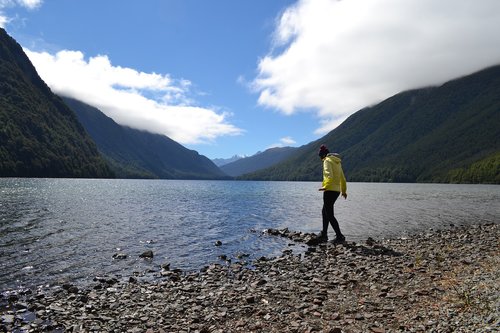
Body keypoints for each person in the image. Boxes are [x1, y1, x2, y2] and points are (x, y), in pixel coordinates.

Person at [318, 144, 347, 243]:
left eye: (320, 156)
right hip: (337, 191)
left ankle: (339, 236)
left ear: (323, 155)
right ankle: (324, 234)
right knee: (325, 211)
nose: (320, 159)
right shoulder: (337, 162)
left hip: (329, 189)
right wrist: (343, 191)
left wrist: (325, 186)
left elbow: (328, 174)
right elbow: (342, 178)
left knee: (329, 214)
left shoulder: (327, 160)